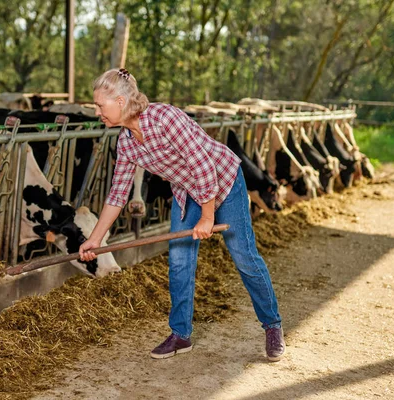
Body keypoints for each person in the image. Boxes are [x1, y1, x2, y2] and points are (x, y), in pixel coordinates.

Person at [79, 68, 285, 361]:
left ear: (121, 101)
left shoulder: (165, 118)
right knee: (179, 260)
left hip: (224, 181)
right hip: (187, 190)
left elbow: (204, 166)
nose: (97, 111)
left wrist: (207, 217)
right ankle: (180, 334)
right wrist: (95, 239)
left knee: (244, 256)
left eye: (100, 105)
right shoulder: (125, 142)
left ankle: (272, 325)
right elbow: (117, 194)